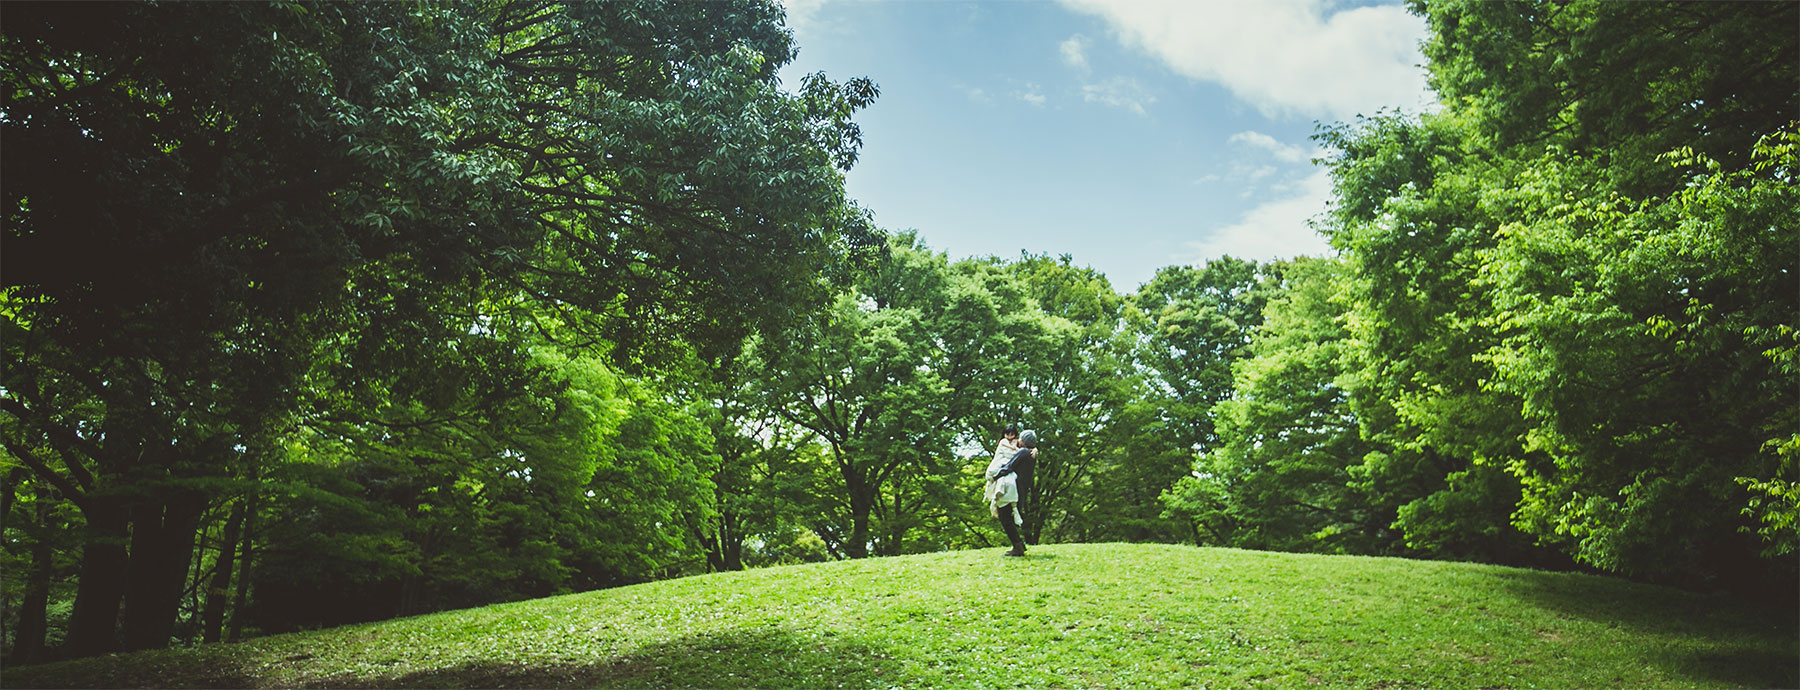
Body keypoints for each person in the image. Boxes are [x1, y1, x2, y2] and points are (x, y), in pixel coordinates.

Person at [985, 428, 1038, 557]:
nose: (1018, 440)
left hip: (1014, 489)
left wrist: (995, 477)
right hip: (1022, 490)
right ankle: (1019, 545)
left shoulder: (1024, 452)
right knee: (1007, 517)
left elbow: (1010, 466)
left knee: (1005, 517)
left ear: (1025, 441)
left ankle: (1018, 547)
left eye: (1020, 438)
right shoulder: (1031, 453)